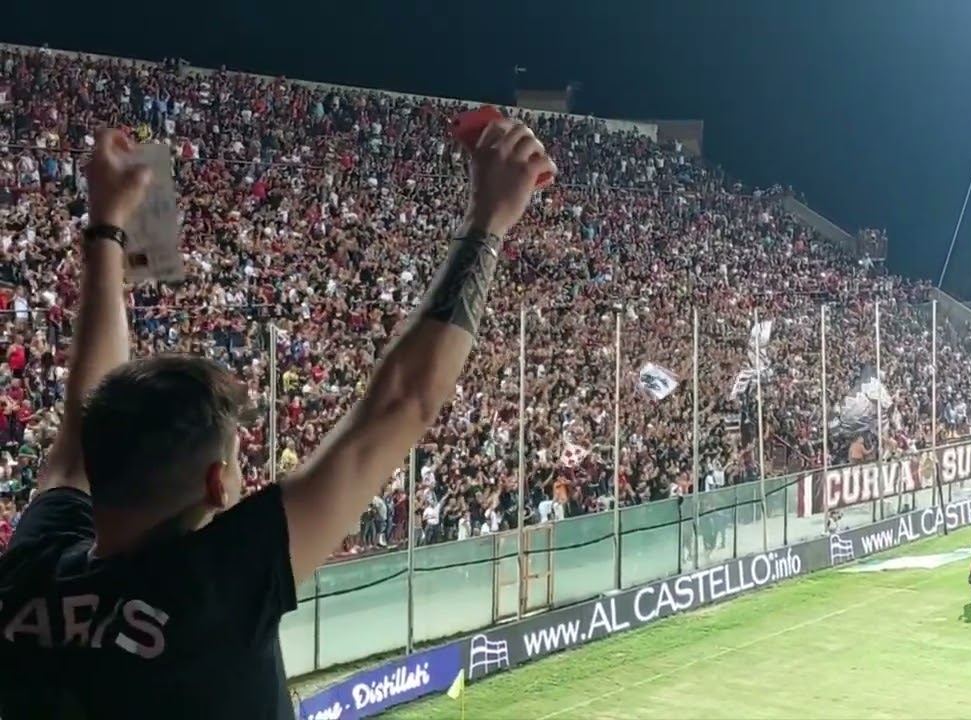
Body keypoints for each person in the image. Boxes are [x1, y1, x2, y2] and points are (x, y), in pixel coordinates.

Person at [0, 121, 555, 719]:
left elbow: (85, 424)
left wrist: (108, 225)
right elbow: (403, 401)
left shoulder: (30, 573)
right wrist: (489, 222)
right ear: (218, 483)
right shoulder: (216, 587)